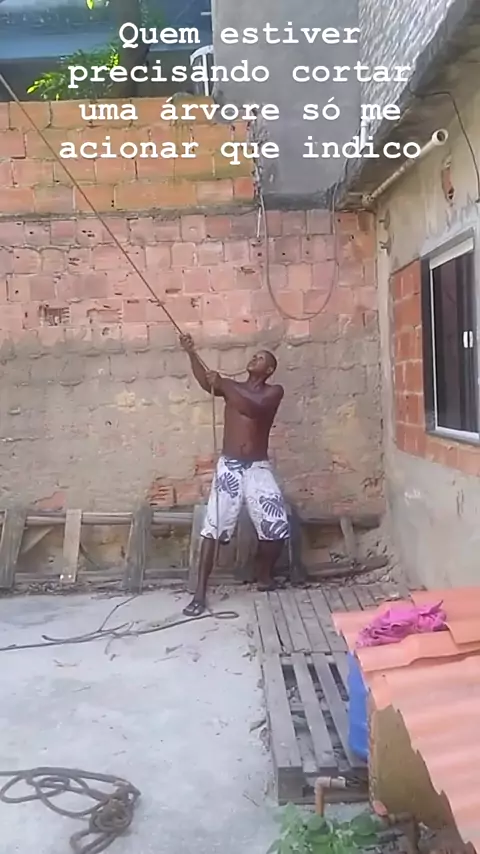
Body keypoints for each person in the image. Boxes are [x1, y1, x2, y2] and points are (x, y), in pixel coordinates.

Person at [179, 333, 290, 616]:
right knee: (213, 527)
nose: (254, 358)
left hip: (257, 468)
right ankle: (200, 594)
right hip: (230, 466)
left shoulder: (273, 392)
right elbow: (206, 382)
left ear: (269, 370)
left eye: (261, 358)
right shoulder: (233, 388)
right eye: (254, 356)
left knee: (277, 526)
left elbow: (253, 408)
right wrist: (192, 353)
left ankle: (263, 575)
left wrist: (224, 384)